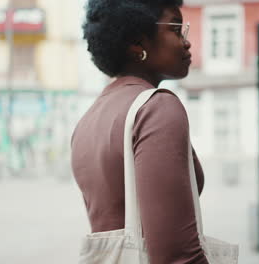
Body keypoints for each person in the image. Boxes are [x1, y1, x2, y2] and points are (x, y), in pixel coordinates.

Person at [71, 0, 208, 263]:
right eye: (176, 29)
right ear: (138, 43)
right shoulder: (155, 108)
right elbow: (177, 256)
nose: (186, 42)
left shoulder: (88, 119)